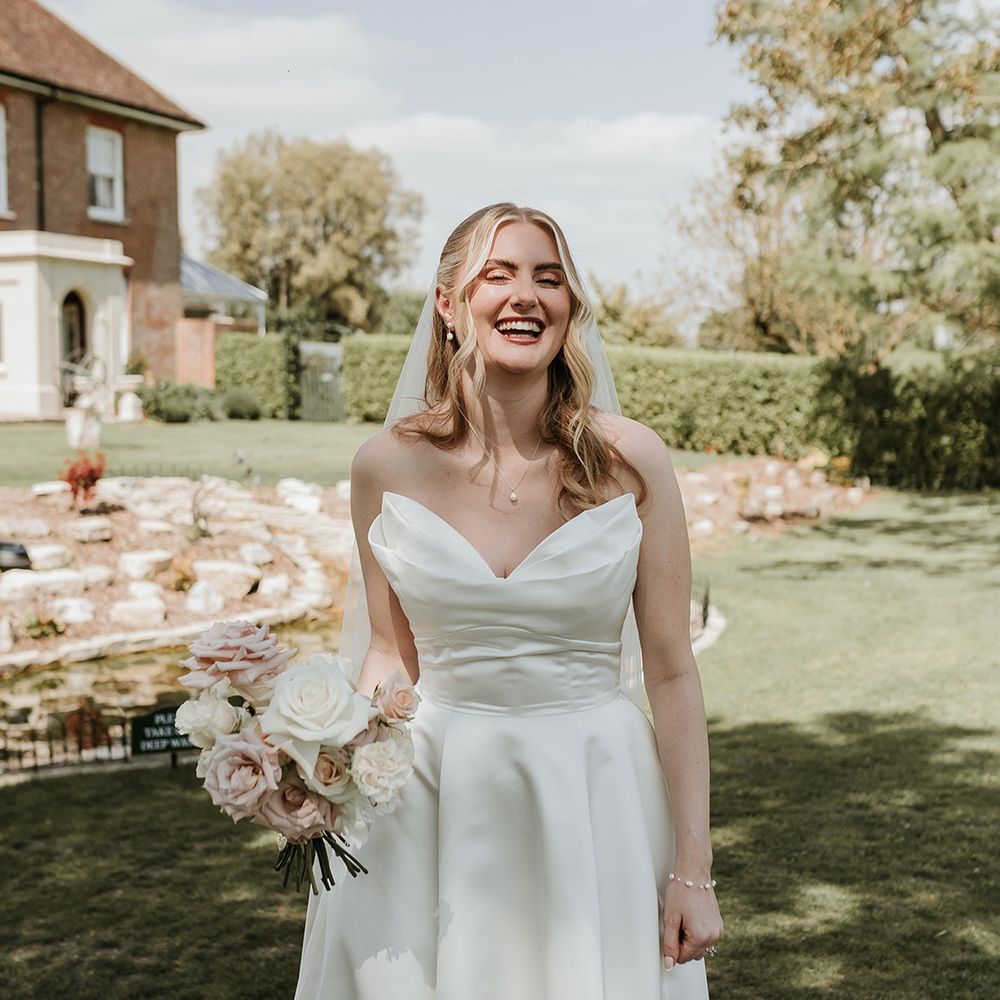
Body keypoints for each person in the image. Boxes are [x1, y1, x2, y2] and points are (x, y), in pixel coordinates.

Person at [294, 203, 722, 999]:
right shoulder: (384, 466)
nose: (526, 295)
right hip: (428, 802)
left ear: (570, 310)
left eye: (548, 277)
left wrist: (691, 870)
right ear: (450, 305)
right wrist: (325, 775)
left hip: (594, 795)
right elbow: (391, 657)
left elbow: (670, 671)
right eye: (499, 274)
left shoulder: (633, 460)